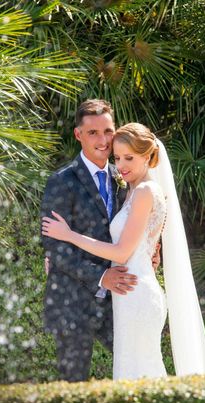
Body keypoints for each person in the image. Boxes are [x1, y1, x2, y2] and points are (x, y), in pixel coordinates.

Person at [42, 123, 205, 380]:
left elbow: (122, 253)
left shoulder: (145, 191)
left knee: (142, 373)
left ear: (148, 156)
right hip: (127, 293)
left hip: (136, 293)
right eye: (117, 158)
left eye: (129, 158)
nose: (121, 165)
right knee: (132, 373)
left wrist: (69, 236)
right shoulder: (133, 191)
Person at [40, 99, 137, 382]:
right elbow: (55, 250)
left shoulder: (123, 177)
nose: (103, 140)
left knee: (133, 370)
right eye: (92, 132)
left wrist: (150, 251)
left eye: (108, 131)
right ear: (78, 135)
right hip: (72, 300)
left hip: (116, 300)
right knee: (74, 383)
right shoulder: (62, 182)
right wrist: (101, 276)